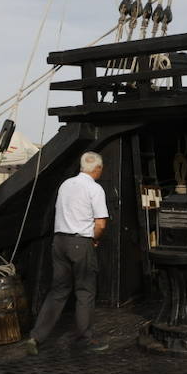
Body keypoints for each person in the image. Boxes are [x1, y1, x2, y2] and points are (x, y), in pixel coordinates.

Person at [25, 151, 109, 354]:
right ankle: (83, 341)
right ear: (97, 169)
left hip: (59, 242)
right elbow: (101, 224)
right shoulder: (95, 189)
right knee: (85, 292)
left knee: (58, 291)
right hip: (80, 243)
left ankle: (36, 337)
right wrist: (95, 240)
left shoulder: (65, 185)